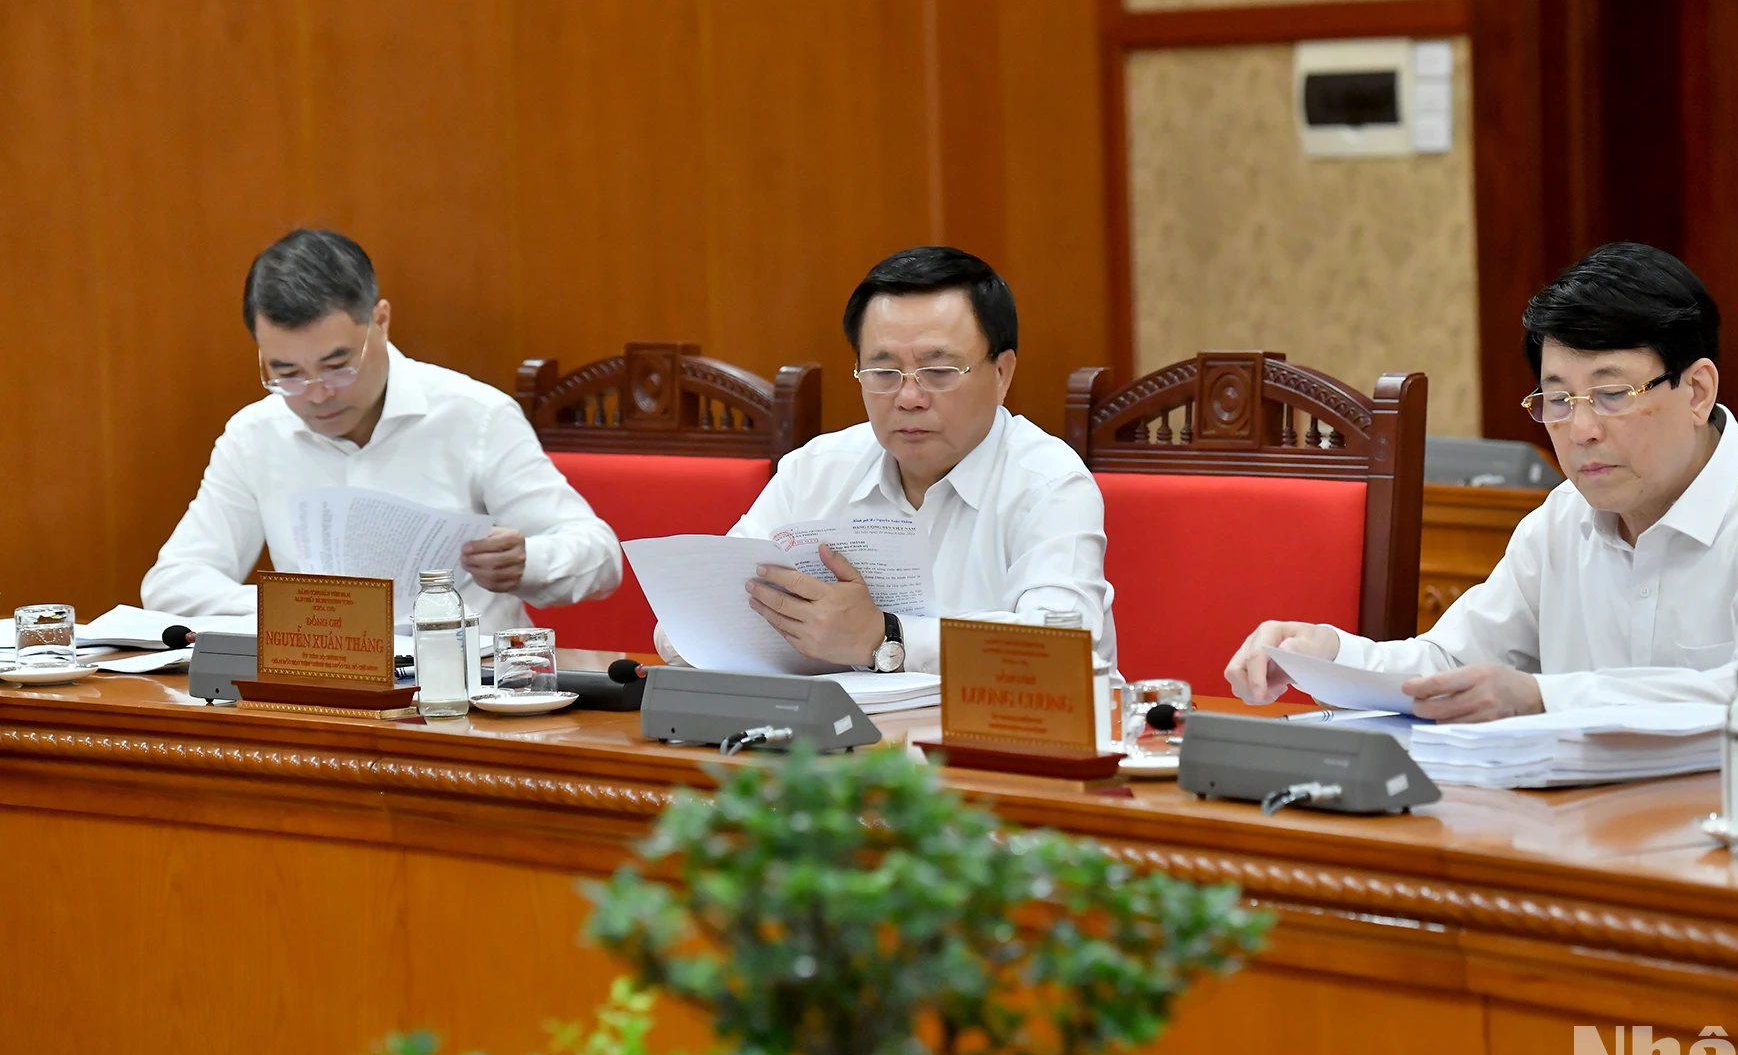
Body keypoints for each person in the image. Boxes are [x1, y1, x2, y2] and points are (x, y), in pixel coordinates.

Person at [1226, 242, 1738, 753]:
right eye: (1558, 399)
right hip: (1613, 848)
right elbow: (1450, 665)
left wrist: (1541, 698)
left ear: (1697, 391)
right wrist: (1328, 655)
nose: (1579, 430)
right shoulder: (1561, 521)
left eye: (1612, 394)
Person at [656, 245, 1116, 674]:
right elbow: (689, 624)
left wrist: (884, 637)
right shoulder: (816, 470)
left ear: (1001, 373)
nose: (909, 397)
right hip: (843, 750)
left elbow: (1065, 650)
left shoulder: (1048, 482)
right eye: (883, 372)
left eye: (938, 371)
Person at [142, 228, 621, 628]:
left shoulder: (474, 416)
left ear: (381, 321)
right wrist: (304, 610)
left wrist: (528, 561)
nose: (316, 393)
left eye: (338, 364)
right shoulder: (254, 436)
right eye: (286, 373)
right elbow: (172, 582)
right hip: (321, 700)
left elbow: (600, 558)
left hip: (467, 697)